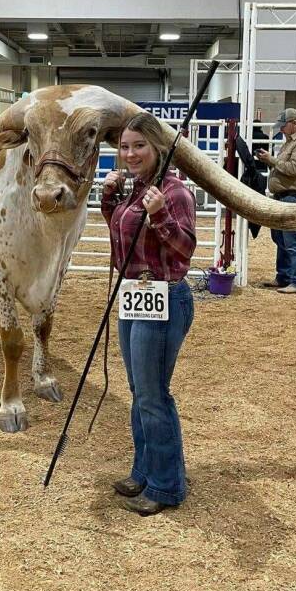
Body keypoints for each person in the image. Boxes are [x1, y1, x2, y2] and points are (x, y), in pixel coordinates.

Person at [101, 112, 196, 517]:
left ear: (157, 147)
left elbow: (185, 249)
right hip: (135, 297)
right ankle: (144, 470)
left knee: (154, 394)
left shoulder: (174, 193)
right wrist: (110, 199)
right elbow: (123, 234)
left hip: (165, 298)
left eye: (139, 145)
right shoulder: (134, 189)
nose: (130, 153)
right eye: (124, 147)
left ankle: (166, 485)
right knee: (140, 391)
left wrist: (160, 215)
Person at [254, 108, 296, 294]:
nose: (281, 129)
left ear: (295, 123)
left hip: (292, 197)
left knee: (293, 241)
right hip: (282, 197)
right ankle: (284, 276)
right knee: (280, 238)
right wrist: (269, 161)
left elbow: (293, 168)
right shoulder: (290, 142)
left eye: (283, 125)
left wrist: (271, 160)